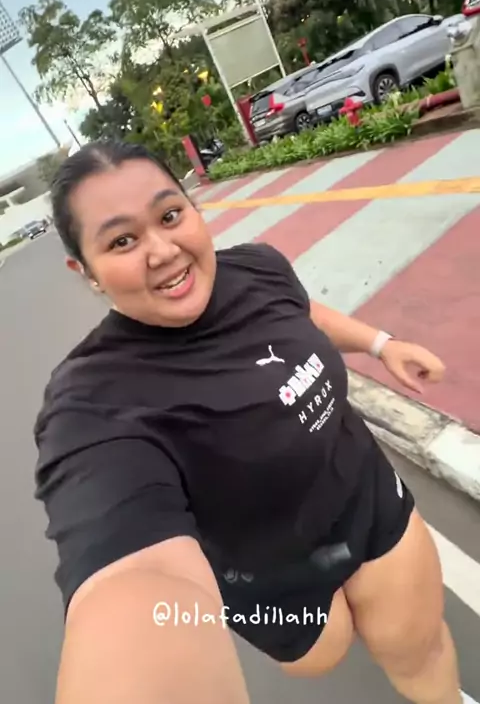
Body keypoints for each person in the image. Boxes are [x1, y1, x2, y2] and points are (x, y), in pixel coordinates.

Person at [34, 140, 476, 704]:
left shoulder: (257, 267)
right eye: (122, 241)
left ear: (193, 208)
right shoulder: (92, 401)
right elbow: (128, 577)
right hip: (267, 583)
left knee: (420, 652)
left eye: (169, 216)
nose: (163, 251)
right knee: (326, 648)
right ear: (87, 271)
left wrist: (381, 344)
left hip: (367, 508)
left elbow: (299, 312)